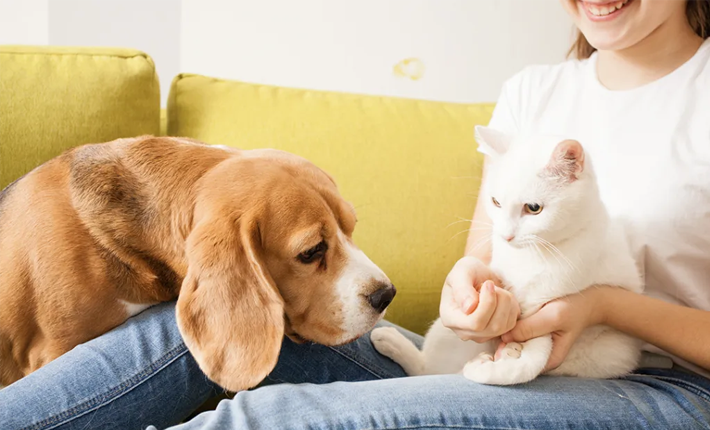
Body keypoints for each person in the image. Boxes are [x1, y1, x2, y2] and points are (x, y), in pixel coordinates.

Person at [3, 0, 710, 428]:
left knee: (268, 420)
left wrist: (603, 307)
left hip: (661, 391)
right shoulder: (535, 91)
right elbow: (483, 261)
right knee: (182, 333)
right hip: (485, 363)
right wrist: (474, 298)